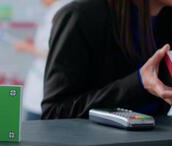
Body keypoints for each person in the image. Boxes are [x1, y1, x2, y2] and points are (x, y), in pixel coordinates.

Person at [42, 0, 172, 119]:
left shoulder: (165, 20)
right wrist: (138, 82)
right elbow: (54, 112)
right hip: (100, 143)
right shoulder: (80, 16)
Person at [14, 0, 72, 120]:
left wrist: (27, 47)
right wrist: (33, 45)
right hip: (39, 89)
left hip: (44, 92)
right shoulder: (54, 11)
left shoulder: (61, 11)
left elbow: (56, 52)